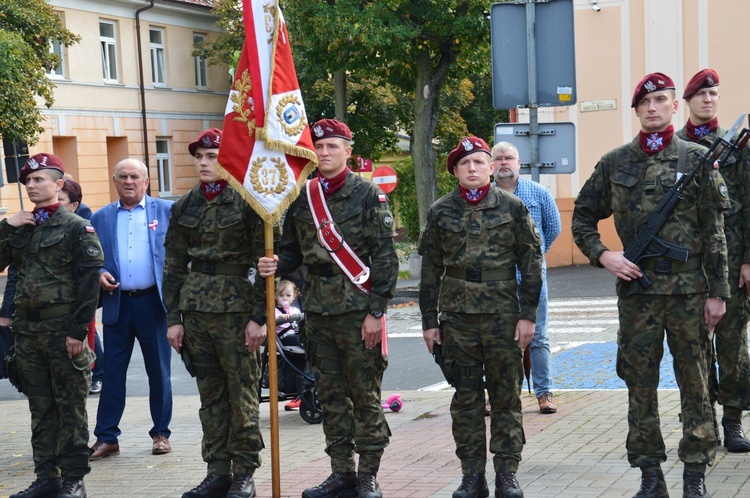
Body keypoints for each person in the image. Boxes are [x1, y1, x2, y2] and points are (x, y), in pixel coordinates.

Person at [572, 72, 730, 498]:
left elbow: (715, 232)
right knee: (639, 385)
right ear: (637, 109)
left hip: (689, 294)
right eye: (646, 102)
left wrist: (718, 294)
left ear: (675, 106)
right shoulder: (614, 163)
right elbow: (582, 218)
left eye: (662, 100)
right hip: (638, 295)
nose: (654, 107)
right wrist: (604, 255)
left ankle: (695, 471)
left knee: (696, 383)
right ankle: (649, 473)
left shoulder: (697, 158)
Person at [258, 118, 399, 498]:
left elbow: (385, 258)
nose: (324, 153)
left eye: (333, 146)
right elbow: (292, 250)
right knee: (329, 397)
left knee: (365, 396)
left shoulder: (368, 195)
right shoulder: (303, 196)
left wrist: (377, 311)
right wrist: (276, 264)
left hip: (357, 312)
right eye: (318, 147)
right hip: (317, 312)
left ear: (348, 151)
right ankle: (342, 474)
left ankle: (368, 474)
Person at [419, 136, 543, 498]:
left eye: (478, 162)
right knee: (467, 399)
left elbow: (531, 264)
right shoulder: (441, 211)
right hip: (457, 320)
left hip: (503, 316)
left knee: (506, 397)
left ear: (490, 166)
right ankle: (472, 476)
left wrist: (528, 316)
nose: (472, 169)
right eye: (464, 164)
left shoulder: (513, 206)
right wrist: (429, 321)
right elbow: (430, 270)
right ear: (455, 171)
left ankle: (507, 473)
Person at [163, 128, 267, 498]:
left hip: (236, 312)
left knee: (242, 396)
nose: (205, 163)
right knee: (211, 398)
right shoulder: (184, 206)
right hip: (195, 313)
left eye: (213, 156)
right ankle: (217, 470)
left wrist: (260, 318)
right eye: (200, 157)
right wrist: (173, 319)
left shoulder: (249, 202)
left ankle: (244, 473)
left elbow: (268, 264)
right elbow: (173, 266)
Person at [0, 153, 103, 498]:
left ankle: (74, 479)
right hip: (28, 335)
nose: (31, 185)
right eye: (27, 181)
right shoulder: (22, 226)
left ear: (58, 185)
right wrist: (7, 226)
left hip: (63, 333)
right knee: (40, 408)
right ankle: (47, 477)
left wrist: (77, 332)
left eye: (39, 179)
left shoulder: (76, 227)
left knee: (70, 408)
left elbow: (90, 283)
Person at [676, 68, 750, 453]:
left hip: (734, 259)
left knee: (733, 345)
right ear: (687, 102)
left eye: (714, 94)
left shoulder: (737, 143)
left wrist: (748, 259)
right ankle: (700, 419)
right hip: (689, 264)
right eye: (700, 95)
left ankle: (734, 419)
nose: (708, 100)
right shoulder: (674, 147)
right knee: (693, 348)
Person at [89, 158, 174, 461]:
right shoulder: (100, 218)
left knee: (159, 372)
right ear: (114, 181)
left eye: (134, 176)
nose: (128, 181)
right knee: (112, 373)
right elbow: (92, 257)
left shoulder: (165, 212)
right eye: (122, 176)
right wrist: (99, 272)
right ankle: (107, 437)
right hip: (118, 305)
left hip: (153, 303)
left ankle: (161, 433)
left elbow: (178, 254)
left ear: (146, 181)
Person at [492, 141, 562, 414]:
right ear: (491, 166)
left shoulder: (539, 193)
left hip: (532, 278)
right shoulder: (485, 195)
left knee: (538, 336)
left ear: (519, 163)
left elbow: (552, 230)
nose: (504, 162)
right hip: (497, 280)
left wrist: (534, 260)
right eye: (498, 158)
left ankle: (544, 394)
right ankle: (498, 394)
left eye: (509, 158)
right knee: (497, 338)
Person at [58, 178, 105, 395]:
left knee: (88, 333)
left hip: (78, 297)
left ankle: (97, 373)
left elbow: (89, 272)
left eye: (60, 199)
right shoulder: (35, 221)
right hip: (54, 304)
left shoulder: (82, 221)